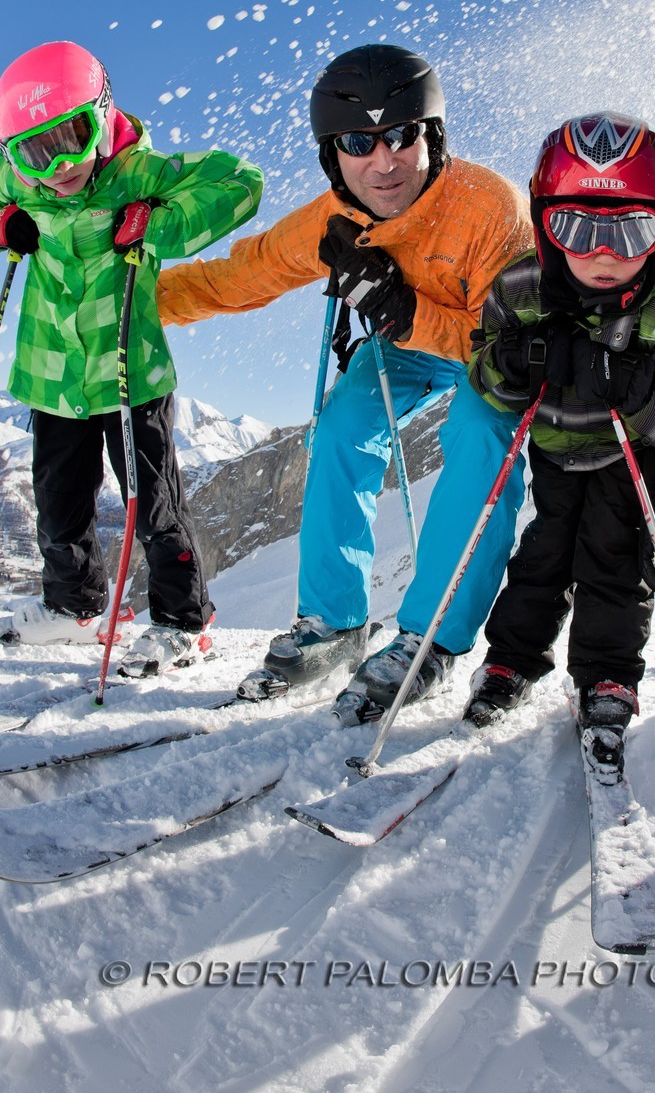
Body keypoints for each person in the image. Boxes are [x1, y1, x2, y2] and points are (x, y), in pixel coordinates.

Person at [157, 43, 533, 718]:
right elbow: (241, 276)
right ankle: (334, 624)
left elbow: (510, 347)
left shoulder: (490, 209)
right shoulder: (334, 215)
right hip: (408, 343)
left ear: (432, 136)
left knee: (480, 435)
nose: (383, 162)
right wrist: (136, 303)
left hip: (490, 347)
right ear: (334, 155)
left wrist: (404, 311)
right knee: (341, 428)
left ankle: (430, 639)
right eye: (359, 142)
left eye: (402, 136)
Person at [0, 40, 264, 673]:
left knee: (152, 505)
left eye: (72, 138)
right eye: (35, 153)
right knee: (58, 503)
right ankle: (74, 607)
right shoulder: (15, 179)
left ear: (101, 114)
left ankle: (183, 621)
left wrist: (158, 222)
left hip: (132, 375)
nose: (58, 166)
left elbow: (240, 182)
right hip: (51, 374)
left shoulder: (138, 173)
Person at [466, 113, 655, 777]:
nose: (603, 255)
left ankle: (607, 675)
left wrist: (641, 388)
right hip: (554, 447)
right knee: (544, 553)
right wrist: (516, 362)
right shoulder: (521, 289)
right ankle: (510, 661)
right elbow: (483, 371)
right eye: (576, 229)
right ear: (543, 225)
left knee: (613, 556)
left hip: (629, 456)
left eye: (631, 231)